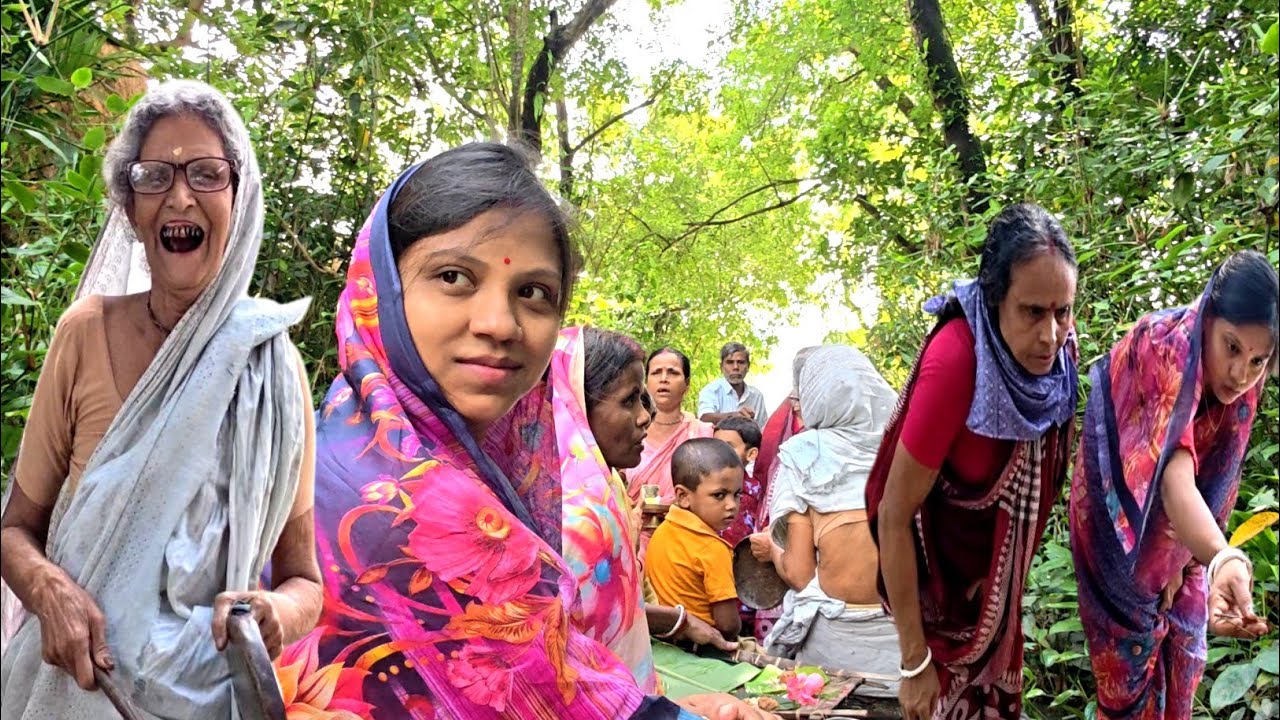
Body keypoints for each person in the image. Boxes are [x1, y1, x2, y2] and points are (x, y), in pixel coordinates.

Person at [280, 143, 775, 719]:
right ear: (382, 290)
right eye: (454, 276)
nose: (499, 324)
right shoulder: (400, 504)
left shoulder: (372, 449)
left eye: (534, 293)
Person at [0, 80, 321, 717]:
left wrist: (276, 612)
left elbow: (304, 581)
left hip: (203, 700)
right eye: (153, 176)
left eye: (207, 173)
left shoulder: (273, 371)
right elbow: (14, 530)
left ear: (240, 197)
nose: (180, 196)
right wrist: (50, 591)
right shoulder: (85, 333)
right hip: (65, 693)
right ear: (130, 207)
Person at [866, 203, 1079, 720]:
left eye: (1063, 310)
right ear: (994, 297)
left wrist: (1000, 581)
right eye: (1032, 312)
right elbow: (895, 514)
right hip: (939, 605)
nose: (1051, 334)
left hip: (994, 602)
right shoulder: (958, 361)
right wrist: (914, 663)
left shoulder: (1057, 361)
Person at [1070, 250, 1276, 719]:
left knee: (1183, 658)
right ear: (1208, 319)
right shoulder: (1163, 345)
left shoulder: (1245, 383)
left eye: (1259, 360)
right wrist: (1221, 556)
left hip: (1188, 537)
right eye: (1231, 348)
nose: (1241, 374)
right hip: (1116, 540)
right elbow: (1172, 475)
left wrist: (1186, 563)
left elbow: (1216, 477)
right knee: (1128, 694)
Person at [574, 326, 739, 679]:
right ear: (577, 406)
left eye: (673, 373)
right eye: (629, 400)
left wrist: (678, 620)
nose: (644, 416)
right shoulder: (576, 517)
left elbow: (617, 609)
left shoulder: (609, 489)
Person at [755, 345, 900, 697]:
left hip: (834, 660)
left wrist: (772, 550)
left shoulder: (805, 453)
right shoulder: (908, 449)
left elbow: (802, 575)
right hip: (912, 656)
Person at [743, 347, 816, 642]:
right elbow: (765, 477)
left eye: (801, 397)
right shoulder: (781, 423)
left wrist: (775, 549)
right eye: (794, 397)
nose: (795, 405)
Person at [646, 438, 745, 642]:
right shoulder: (712, 548)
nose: (731, 505)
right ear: (683, 496)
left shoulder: (663, 530)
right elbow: (727, 625)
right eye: (719, 495)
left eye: (737, 494)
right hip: (704, 645)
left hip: (663, 639)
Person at [627, 347, 714, 507]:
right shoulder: (628, 430)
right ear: (645, 383)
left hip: (685, 529)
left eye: (673, 373)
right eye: (656, 372)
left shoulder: (703, 433)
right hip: (631, 527)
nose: (664, 379)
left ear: (687, 383)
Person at [712, 415, 762, 545]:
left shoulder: (758, 491)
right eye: (716, 445)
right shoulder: (701, 486)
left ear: (751, 454)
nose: (720, 452)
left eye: (729, 447)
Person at [698, 342, 767, 424]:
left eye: (741, 362)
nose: (735, 367)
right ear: (721, 367)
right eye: (730, 362)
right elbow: (704, 418)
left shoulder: (756, 396)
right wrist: (734, 417)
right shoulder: (711, 391)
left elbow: (763, 429)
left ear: (748, 366)